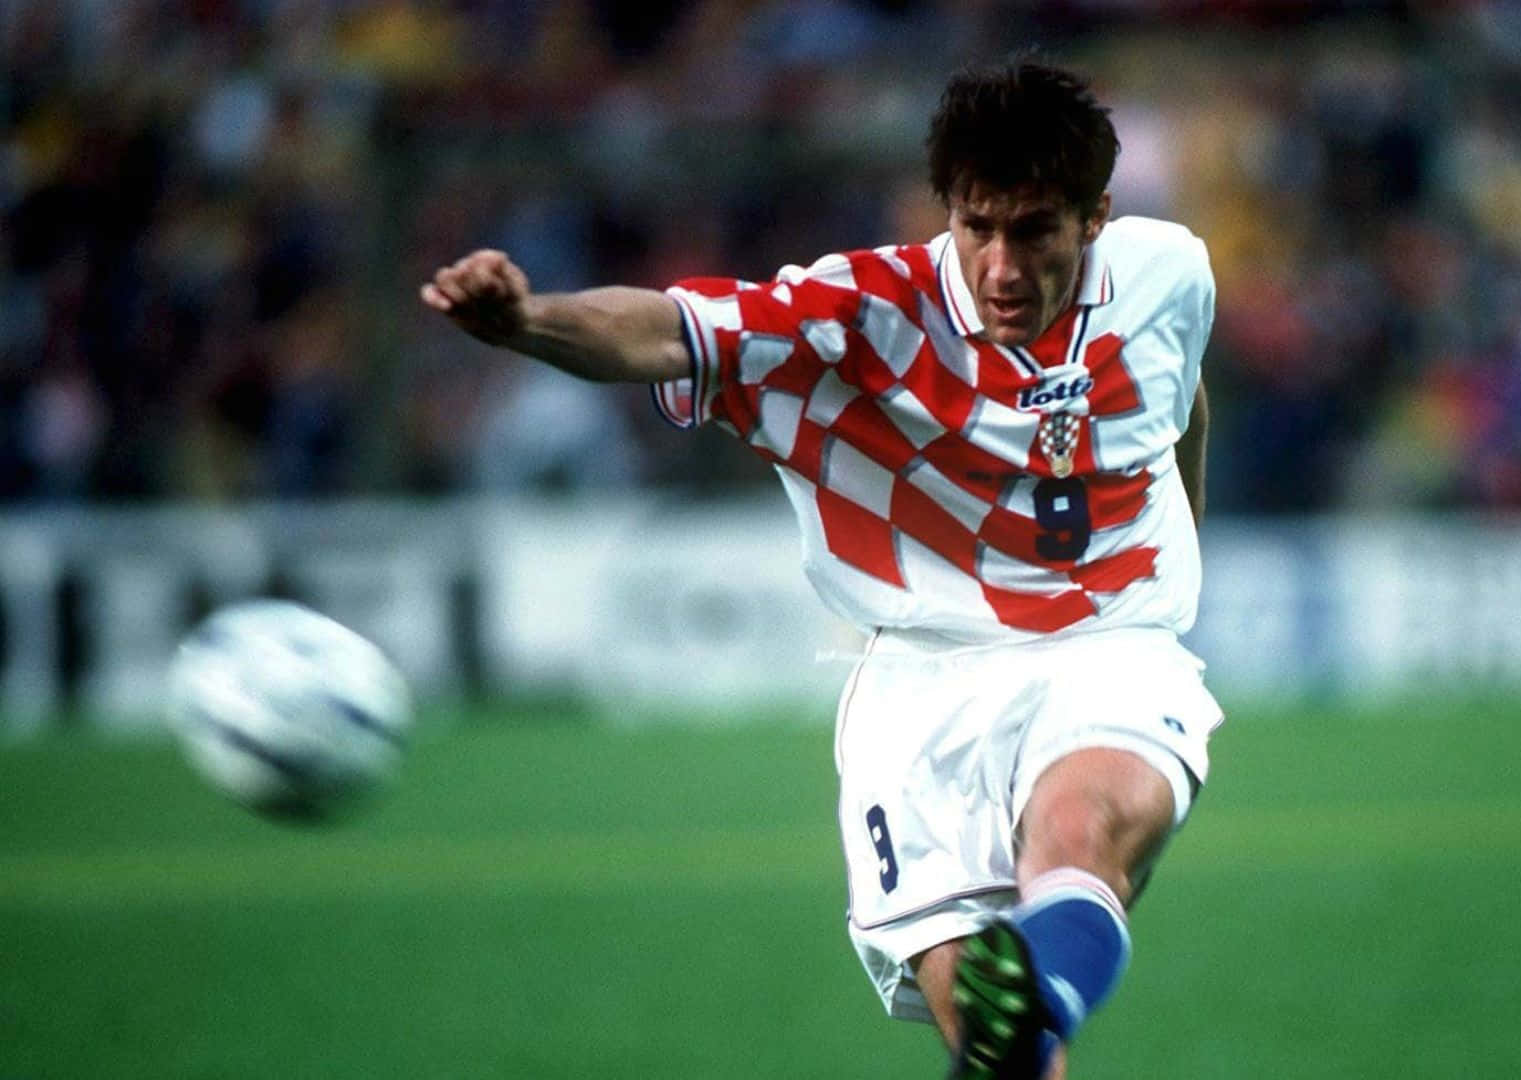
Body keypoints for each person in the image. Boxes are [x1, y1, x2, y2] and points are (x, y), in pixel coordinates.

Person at [422, 59, 1222, 1080]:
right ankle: (1025, 1016)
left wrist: (1173, 574)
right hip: (921, 685)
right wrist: (529, 320)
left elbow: (1179, 402)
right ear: (945, 211)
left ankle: (1040, 992)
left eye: (1034, 231)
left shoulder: (1167, 273)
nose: (1002, 267)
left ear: (1096, 215)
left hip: (1107, 646)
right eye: (977, 227)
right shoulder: (860, 314)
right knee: (993, 1045)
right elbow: (667, 332)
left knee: (1079, 833)